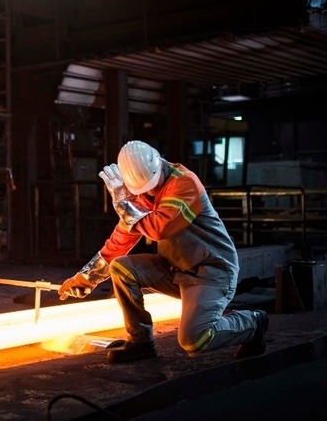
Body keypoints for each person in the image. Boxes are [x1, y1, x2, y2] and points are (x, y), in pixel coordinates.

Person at [58, 140, 268, 364]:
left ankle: (252, 322)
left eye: (151, 185)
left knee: (194, 341)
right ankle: (140, 343)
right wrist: (86, 278)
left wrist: (123, 204)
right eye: (142, 190)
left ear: (158, 163)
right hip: (175, 270)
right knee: (121, 267)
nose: (150, 192)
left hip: (212, 272)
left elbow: (160, 228)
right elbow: (121, 238)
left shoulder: (184, 184)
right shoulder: (141, 195)